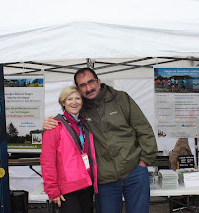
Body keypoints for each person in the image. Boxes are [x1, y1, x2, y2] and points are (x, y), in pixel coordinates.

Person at [43, 68, 158, 213]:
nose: (88, 88)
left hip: (134, 171)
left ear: (98, 81)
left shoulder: (121, 98)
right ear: (79, 89)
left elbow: (144, 129)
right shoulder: (81, 108)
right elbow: (67, 119)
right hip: (105, 179)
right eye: (83, 85)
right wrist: (49, 123)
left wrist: (144, 162)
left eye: (91, 82)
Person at [40, 85, 98, 213]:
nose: (74, 102)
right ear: (63, 102)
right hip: (68, 189)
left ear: (82, 102)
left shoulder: (85, 124)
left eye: (78, 98)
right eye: (69, 99)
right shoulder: (55, 125)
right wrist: (52, 190)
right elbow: (47, 160)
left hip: (86, 185)